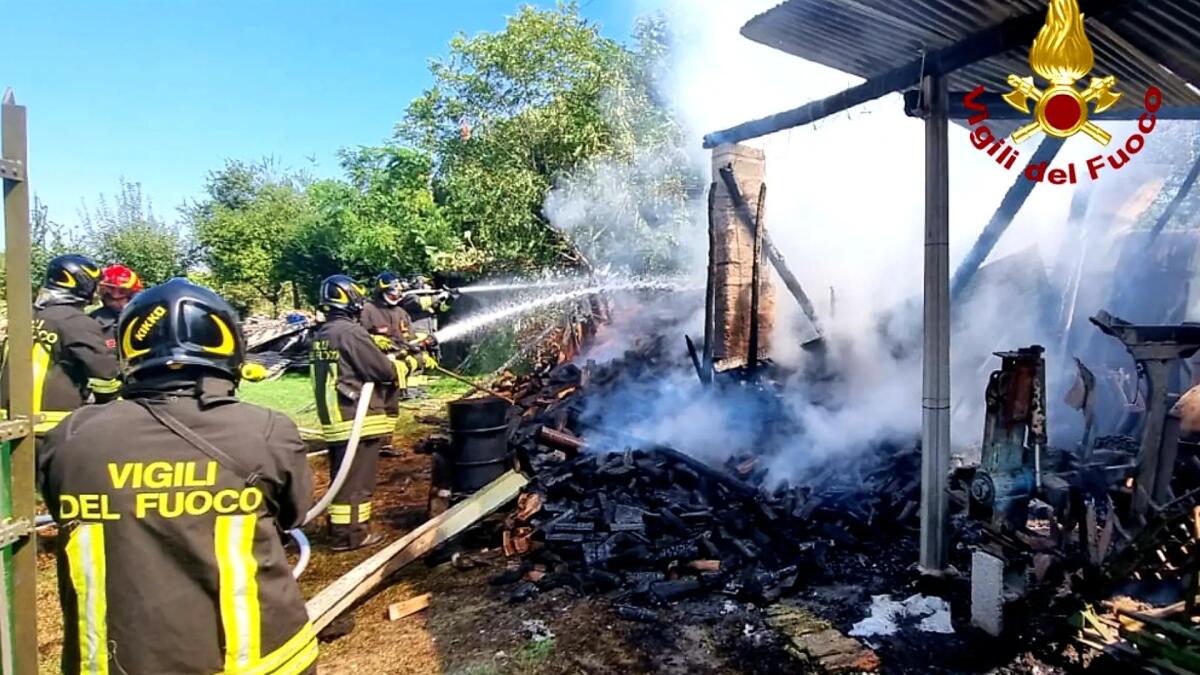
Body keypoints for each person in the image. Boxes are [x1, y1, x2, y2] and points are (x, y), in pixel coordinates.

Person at [38, 278, 317, 674]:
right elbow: (292, 515)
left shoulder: (69, 438)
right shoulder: (266, 431)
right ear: (228, 347)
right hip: (255, 659)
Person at [311, 275, 399, 551]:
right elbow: (383, 371)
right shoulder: (350, 332)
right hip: (356, 416)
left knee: (344, 478)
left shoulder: (324, 333)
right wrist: (407, 363)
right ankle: (351, 536)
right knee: (357, 484)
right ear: (349, 299)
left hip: (337, 415)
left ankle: (340, 529)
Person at [0, 254, 121, 436]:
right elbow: (105, 379)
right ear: (83, 284)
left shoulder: (24, 317)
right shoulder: (76, 322)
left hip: (9, 430)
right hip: (53, 431)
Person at [88, 263, 144, 351]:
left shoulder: (148, 315)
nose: (114, 297)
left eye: (123, 291)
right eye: (108, 292)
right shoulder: (95, 320)